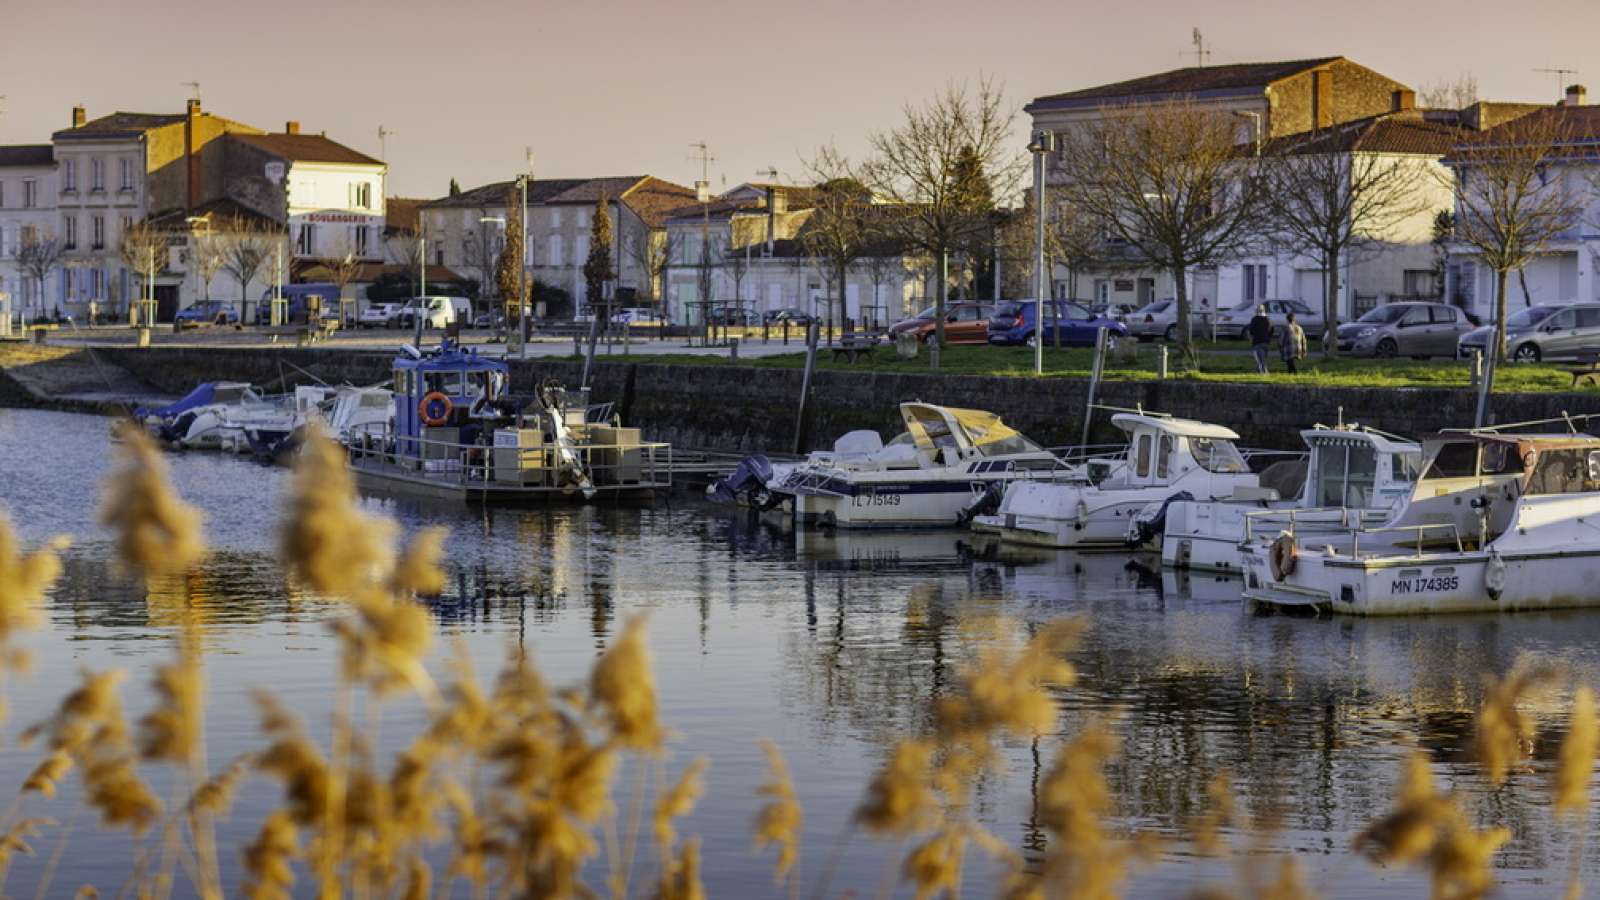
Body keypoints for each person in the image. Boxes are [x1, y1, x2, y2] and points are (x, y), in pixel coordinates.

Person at [1247, 304, 1273, 373]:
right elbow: (1271, 330)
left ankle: (1265, 373)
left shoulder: (1255, 319)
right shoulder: (1268, 319)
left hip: (1257, 342)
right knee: (1262, 359)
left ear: (1256, 311)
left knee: (1260, 361)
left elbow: (1251, 331)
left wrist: (1251, 337)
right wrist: (1268, 337)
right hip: (1266, 342)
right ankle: (1257, 372)